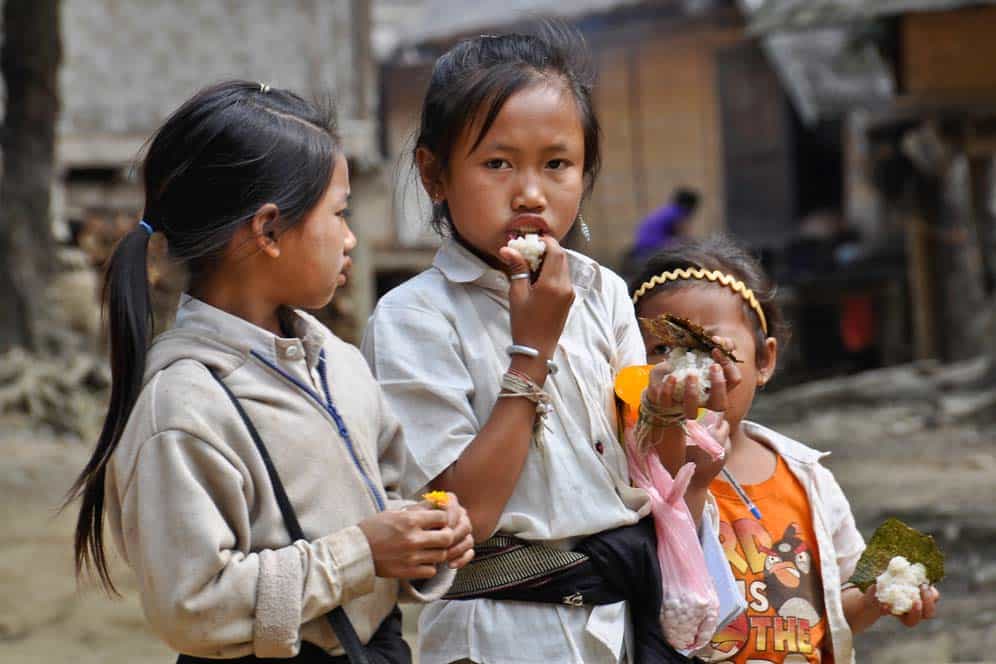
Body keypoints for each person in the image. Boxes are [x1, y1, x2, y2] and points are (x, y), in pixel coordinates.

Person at [361, 27, 740, 664]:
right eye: (497, 163)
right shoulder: (414, 318)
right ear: (434, 174)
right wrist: (530, 352)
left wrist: (671, 413)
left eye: (557, 164)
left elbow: (643, 471)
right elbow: (464, 518)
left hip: (615, 626)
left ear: (586, 171)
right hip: (497, 634)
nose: (531, 193)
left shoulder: (606, 295)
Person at [65, 80, 473, 663]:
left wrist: (423, 532)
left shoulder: (339, 361)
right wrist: (361, 554)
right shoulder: (182, 407)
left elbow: (387, 501)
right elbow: (192, 606)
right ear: (269, 231)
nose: (352, 237)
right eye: (340, 213)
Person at [628, 235, 940, 663]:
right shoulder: (633, 477)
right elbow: (654, 600)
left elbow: (834, 608)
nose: (690, 370)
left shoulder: (807, 478)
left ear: (764, 361)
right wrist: (692, 482)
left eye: (714, 348)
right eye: (662, 350)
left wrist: (880, 597)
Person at [630, 188, 700, 260]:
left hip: (642, 243)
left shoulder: (669, 210)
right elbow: (681, 235)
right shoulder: (679, 213)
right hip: (654, 244)